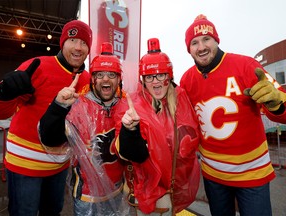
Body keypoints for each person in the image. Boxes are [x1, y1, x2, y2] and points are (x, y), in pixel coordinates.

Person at [180, 14, 286, 216]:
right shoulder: (187, 80)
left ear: (216, 40)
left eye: (206, 39)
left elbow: (283, 113)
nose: (201, 47)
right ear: (189, 49)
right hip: (213, 177)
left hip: (253, 175)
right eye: (194, 42)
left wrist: (277, 105)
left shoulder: (246, 65)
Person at [0, 20, 92, 216]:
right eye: (72, 40)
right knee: (24, 213)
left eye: (84, 43)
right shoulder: (38, 65)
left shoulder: (87, 79)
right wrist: (4, 93)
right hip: (25, 165)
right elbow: (2, 112)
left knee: (53, 211)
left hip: (59, 166)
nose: (78, 47)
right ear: (62, 43)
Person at [38, 42, 130, 216]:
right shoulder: (79, 106)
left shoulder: (125, 106)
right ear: (93, 78)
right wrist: (58, 107)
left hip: (117, 191)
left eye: (112, 75)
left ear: (119, 79)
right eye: (99, 74)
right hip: (86, 196)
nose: (105, 80)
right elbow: (49, 139)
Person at [114, 38, 201, 215]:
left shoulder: (180, 99)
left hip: (175, 188)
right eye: (150, 77)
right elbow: (126, 152)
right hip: (145, 190)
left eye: (161, 75)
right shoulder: (131, 105)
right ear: (143, 79)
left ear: (169, 76)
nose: (156, 82)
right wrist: (130, 130)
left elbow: (190, 138)